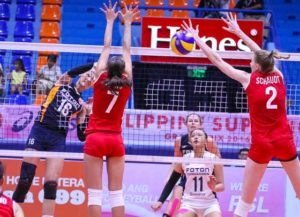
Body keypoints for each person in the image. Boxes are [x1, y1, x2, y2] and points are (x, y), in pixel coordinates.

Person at [182, 13, 300, 217]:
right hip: (284, 140)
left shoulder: (248, 79)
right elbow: (263, 54)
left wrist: (198, 39)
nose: (249, 61)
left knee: (244, 203)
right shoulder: (278, 76)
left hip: (261, 143)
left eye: (251, 60)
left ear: (257, 66)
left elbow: (217, 60)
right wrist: (239, 32)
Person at [12, 63, 95, 217]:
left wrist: (89, 114)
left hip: (58, 138)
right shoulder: (63, 83)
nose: (87, 80)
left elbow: (82, 136)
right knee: (25, 178)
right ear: (81, 76)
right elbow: (72, 70)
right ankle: (10, 213)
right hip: (40, 130)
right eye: (87, 76)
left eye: (91, 79)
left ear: (92, 84)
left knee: (51, 184)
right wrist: (93, 66)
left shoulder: (82, 106)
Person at [83, 1, 138, 217]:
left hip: (95, 138)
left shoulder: (98, 79)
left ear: (106, 68)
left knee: (94, 194)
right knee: (117, 194)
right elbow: (126, 49)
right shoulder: (128, 82)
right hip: (115, 140)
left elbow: (106, 47)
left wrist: (110, 21)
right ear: (124, 69)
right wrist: (128, 24)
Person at [151, 113, 221, 216]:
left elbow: (218, 161)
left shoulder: (208, 141)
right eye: (190, 121)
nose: (193, 123)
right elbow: (177, 161)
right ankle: (168, 214)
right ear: (186, 124)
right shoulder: (179, 141)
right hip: (187, 174)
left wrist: (213, 179)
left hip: (206, 178)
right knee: (176, 195)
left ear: (201, 124)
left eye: (196, 121)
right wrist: (169, 175)